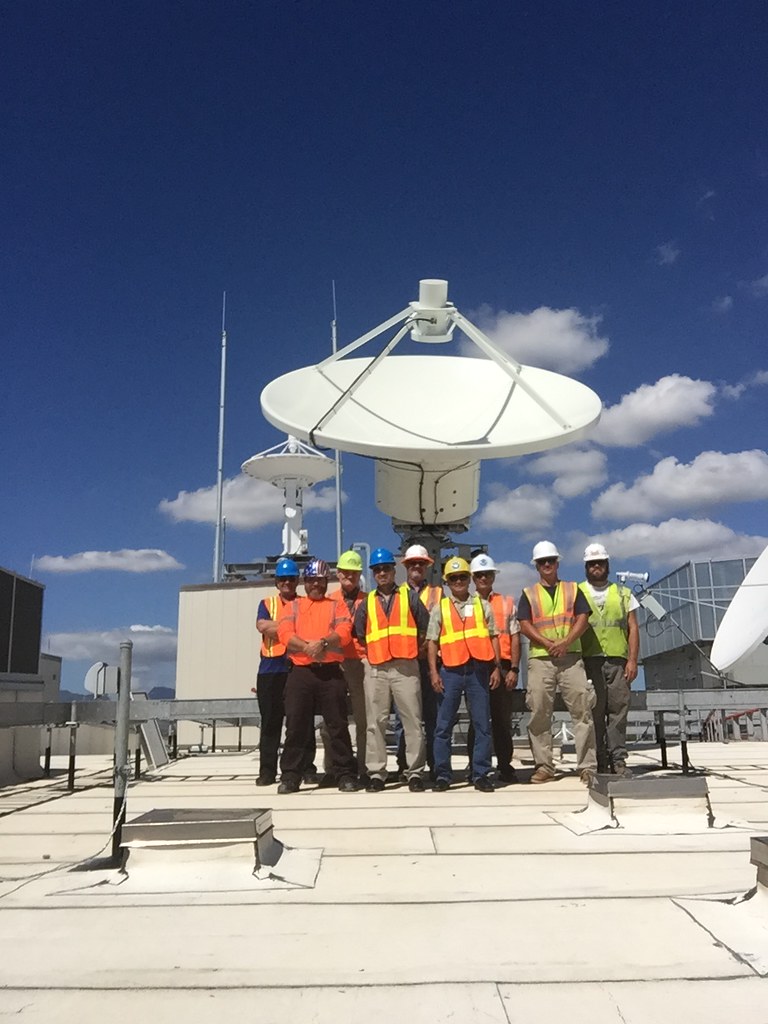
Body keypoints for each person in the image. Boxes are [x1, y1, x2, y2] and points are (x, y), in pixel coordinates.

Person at [517, 541, 598, 786]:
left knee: (582, 711)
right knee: (540, 713)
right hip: (541, 659)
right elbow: (524, 623)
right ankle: (544, 766)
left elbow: (583, 618)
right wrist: (547, 642)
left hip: (571, 657)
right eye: (542, 562)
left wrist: (565, 642)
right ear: (537, 566)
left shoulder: (572, 589)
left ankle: (587, 767)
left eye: (550, 560)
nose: (547, 565)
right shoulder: (528, 593)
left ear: (557, 562)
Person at [276, 558, 359, 794]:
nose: (315, 584)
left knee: (337, 725)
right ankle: (291, 776)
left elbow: (344, 632)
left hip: (331, 673)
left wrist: (322, 643)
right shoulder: (292, 606)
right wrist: (306, 648)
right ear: (304, 582)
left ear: (326, 582)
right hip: (301, 672)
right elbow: (284, 633)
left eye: (320, 580)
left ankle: (345, 773)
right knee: (295, 726)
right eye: (311, 580)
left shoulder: (336, 605)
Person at [353, 546, 429, 792]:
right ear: (373, 573)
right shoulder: (366, 603)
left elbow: (425, 628)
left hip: (406, 666)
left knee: (413, 722)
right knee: (376, 722)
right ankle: (376, 773)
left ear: (393, 570)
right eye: (377, 569)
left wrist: (413, 651)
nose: (382, 573)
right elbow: (360, 634)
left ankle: (415, 772)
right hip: (377, 668)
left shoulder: (410, 597)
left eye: (386, 568)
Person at [427, 556, 501, 792]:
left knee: (482, 725)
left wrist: (496, 667)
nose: (458, 581)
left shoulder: (482, 605)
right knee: (443, 726)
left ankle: (480, 773)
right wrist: (433, 673)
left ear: (469, 579)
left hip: (478, 670)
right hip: (449, 670)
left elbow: (493, 637)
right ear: (447, 582)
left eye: (462, 577)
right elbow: (432, 642)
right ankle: (443, 775)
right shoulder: (440, 608)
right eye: (453, 578)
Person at [254, 557, 317, 787]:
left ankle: (306, 767)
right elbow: (262, 626)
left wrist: (278, 626)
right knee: (271, 722)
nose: (287, 583)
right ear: (276, 582)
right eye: (283, 579)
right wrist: (291, 627)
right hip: (270, 670)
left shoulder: (305, 603)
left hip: (297, 667)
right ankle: (267, 771)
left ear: (297, 581)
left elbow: (306, 629)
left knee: (301, 721)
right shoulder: (266, 603)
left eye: (291, 579)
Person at [579, 542, 640, 778]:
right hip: (589, 661)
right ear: (586, 566)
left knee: (618, 711)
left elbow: (633, 628)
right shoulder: (578, 593)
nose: (596, 567)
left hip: (617, 660)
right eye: (592, 563)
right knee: (593, 711)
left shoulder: (624, 594)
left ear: (607, 565)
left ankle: (618, 759)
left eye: (600, 563)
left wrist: (632, 660)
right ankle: (599, 760)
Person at [467, 553, 521, 783]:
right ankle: (475, 766)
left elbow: (515, 637)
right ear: (473, 578)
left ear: (493, 576)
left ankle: (505, 765)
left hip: (504, 664)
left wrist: (514, 669)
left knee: (502, 720)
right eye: (479, 575)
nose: (483, 578)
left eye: (487, 574)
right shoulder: (465, 605)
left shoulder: (507, 602)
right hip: (476, 666)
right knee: (477, 720)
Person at [319, 549, 368, 785]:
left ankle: (363, 768)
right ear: (338, 574)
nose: (350, 576)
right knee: (332, 721)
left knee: (364, 719)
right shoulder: (329, 601)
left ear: (359, 574)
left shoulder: (369, 600)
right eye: (345, 572)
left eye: (354, 573)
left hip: (361, 662)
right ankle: (333, 768)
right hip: (335, 664)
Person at [396, 543, 442, 778]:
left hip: (432, 662)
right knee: (406, 716)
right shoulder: (396, 594)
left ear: (426, 567)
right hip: (405, 661)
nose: (417, 567)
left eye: (421, 564)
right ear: (406, 566)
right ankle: (405, 765)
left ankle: (435, 764)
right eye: (413, 563)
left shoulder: (438, 593)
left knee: (433, 715)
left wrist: (427, 648)